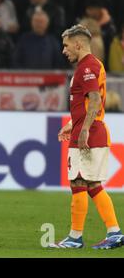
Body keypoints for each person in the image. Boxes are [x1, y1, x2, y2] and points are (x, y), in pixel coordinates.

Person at [49, 24, 124, 250]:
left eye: (66, 45)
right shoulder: (91, 65)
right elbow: (88, 104)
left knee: (79, 182)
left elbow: (95, 100)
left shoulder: (87, 67)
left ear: (78, 44)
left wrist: (83, 130)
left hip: (90, 134)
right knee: (91, 184)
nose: (64, 50)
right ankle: (114, 232)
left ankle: (75, 237)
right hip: (90, 130)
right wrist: (73, 125)